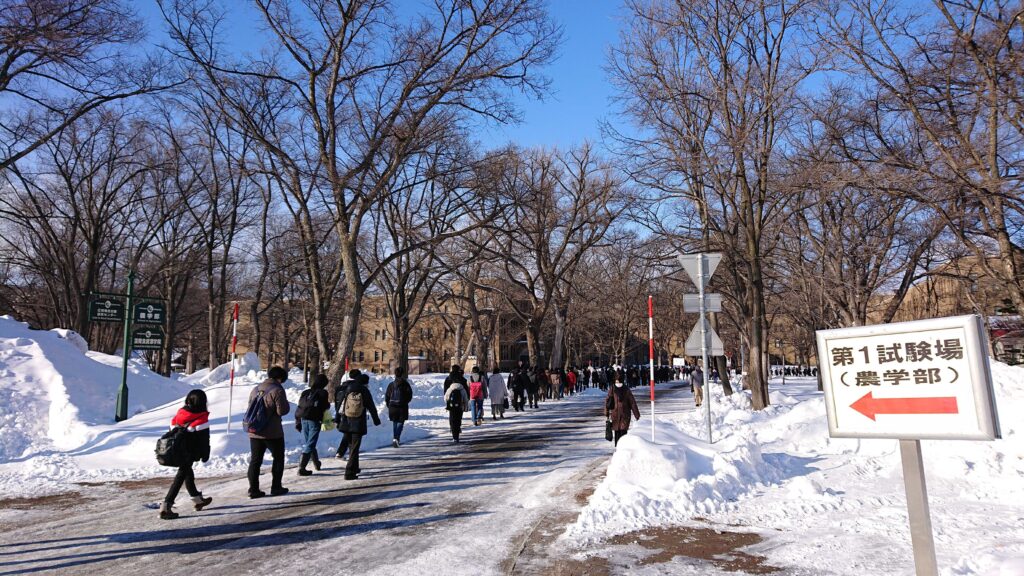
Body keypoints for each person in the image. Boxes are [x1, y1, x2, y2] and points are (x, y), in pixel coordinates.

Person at [160, 390, 213, 520]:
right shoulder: (202, 418)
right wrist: (205, 454)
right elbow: (204, 440)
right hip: (189, 452)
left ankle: (197, 500)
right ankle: (166, 506)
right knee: (180, 477)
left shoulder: (181, 413)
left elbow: (172, 428)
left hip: (177, 450)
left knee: (187, 473)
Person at [247, 366, 290, 498]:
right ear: (280, 378)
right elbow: (282, 411)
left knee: (255, 461)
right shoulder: (277, 390)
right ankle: (276, 487)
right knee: (278, 458)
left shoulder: (256, 389)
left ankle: (253, 489)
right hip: (272, 432)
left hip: (254, 430)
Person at [337, 373, 381, 480]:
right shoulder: (364, 391)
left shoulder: (348, 389)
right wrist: (376, 420)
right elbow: (371, 406)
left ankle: (355, 468)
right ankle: (349, 472)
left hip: (346, 421)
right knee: (355, 448)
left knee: (352, 447)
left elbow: (340, 405)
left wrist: (337, 418)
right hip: (358, 422)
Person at [295, 374, 330, 476]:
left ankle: (316, 462)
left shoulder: (305, 392)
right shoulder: (323, 393)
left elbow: (300, 406)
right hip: (314, 420)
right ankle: (302, 468)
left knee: (309, 442)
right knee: (310, 443)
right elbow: (324, 406)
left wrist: (297, 421)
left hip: (303, 419)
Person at [605, 375, 641, 446]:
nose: (617, 384)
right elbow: (608, 401)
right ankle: (618, 448)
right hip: (616, 415)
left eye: (619, 382)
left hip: (624, 415)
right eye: (616, 382)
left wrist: (637, 415)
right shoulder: (613, 389)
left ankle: (622, 448)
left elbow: (632, 403)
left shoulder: (626, 390)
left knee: (623, 433)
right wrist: (606, 412)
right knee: (617, 432)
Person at [335, 369, 361, 459]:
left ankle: (341, 453)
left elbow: (337, 401)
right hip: (352, 413)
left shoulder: (340, 387)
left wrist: (337, 416)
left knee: (347, 433)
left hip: (341, 412)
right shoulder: (357, 387)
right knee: (350, 434)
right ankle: (348, 454)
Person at [385, 367, 413, 447]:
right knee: (400, 422)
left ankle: (395, 438)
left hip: (392, 406)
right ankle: (396, 438)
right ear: (402, 374)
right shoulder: (405, 384)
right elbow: (409, 395)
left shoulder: (391, 385)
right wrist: (405, 402)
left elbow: (387, 396)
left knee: (395, 422)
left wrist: (388, 405)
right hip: (402, 406)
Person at [443, 373, 469, 443]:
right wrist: (465, 407)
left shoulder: (450, 389)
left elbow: (445, 398)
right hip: (460, 407)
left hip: (452, 407)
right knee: (458, 420)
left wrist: (449, 403)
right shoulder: (462, 389)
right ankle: (457, 434)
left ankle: (453, 434)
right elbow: (466, 399)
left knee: (452, 420)